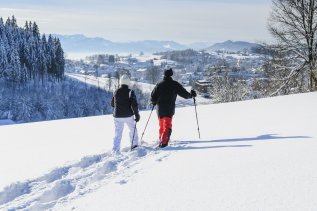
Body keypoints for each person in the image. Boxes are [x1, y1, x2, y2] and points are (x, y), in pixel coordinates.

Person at [151, 67, 197, 148]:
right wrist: (191, 95)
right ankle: (164, 143)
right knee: (167, 126)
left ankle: (161, 139)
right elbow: (184, 94)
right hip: (169, 108)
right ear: (171, 74)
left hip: (160, 109)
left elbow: (153, 96)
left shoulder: (159, 84)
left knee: (161, 125)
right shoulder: (175, 84)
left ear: (164, 74)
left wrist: (154, 102)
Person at [111, 74, 140, 153]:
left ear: (120, 82)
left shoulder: (115, 91)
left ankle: (115, 150)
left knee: (117, 133)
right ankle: (134, 145)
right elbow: (134, 105)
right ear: (128, 83)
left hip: (117, 116)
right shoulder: (130, 92)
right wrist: (137, 115)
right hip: (128, 115)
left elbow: (112, 104)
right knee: (132, 129)